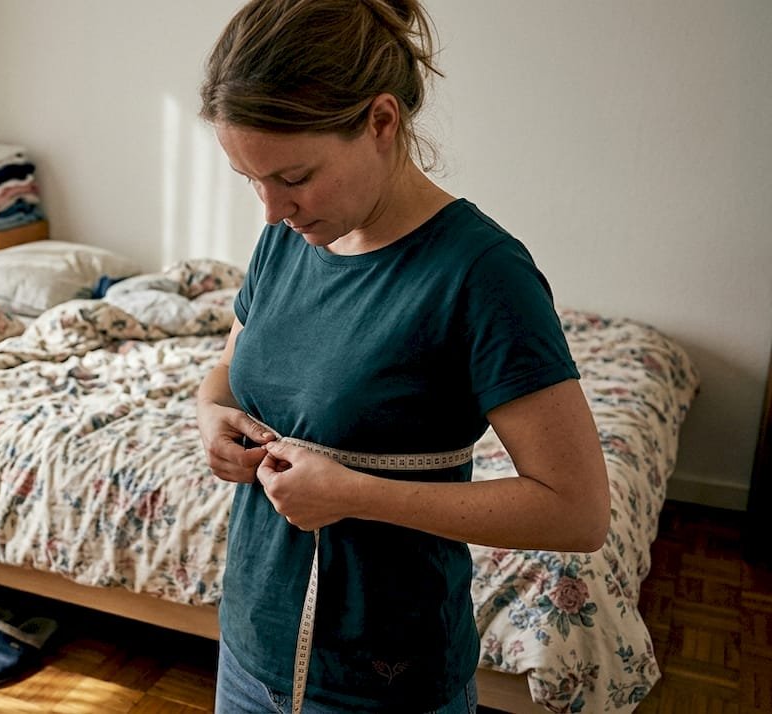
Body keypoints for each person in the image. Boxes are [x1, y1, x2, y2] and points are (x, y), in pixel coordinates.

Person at [194, 0, 610, 712]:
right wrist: (211, 416)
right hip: (251, 644)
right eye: (250, 180)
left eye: (293, 177)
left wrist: (356, 494)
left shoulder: (482, 274)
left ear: (381, 122)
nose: (270, 209)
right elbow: (232, 373)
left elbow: (576, 511)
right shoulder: (289, 239)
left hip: (384, 678)